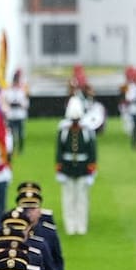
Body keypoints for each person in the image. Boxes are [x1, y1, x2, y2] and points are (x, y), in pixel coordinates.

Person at [55, 96, 97, 236]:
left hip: (83, 168)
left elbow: (92, 152)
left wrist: (91, 171)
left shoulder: (87, 131)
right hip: (67, 168)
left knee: (82, 199)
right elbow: (59, 151)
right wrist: (59, 169)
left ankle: (81, 225)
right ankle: (70, 225)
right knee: (68, 198)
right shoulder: (63, 130)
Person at [4, 70, 30, 155]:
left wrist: (19, 104)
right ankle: (12, 148)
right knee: (11, 134)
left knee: (20, 133)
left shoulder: (22, 91)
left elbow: (25, 103)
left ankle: (20, 149)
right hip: (11, 115)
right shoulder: (9, 91)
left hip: (19, 115)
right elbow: (6, 101)